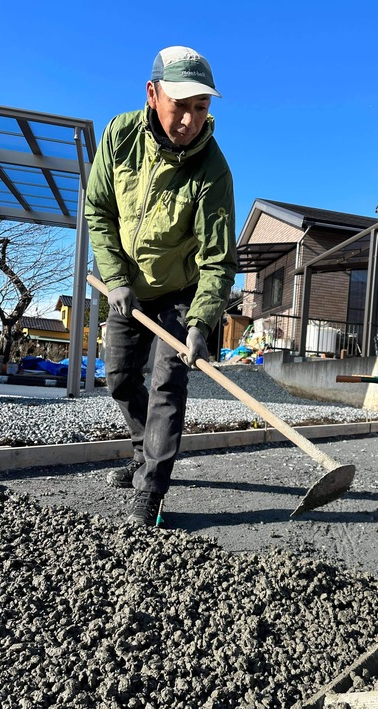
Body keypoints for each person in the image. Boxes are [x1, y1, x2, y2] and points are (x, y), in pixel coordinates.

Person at [85, 46, 237, 526]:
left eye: (201, 107)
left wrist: (200, 324)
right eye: (181, 105)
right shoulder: (119, 136)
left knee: (169, 385)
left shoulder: (213, 169)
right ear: (153, 94)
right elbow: (99, 211)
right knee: (119, 378)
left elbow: (217, 260)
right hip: (126, 286)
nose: (190, 119)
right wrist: (115, 279)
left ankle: (151, 489)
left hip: (181, 292)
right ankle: (140, 453)